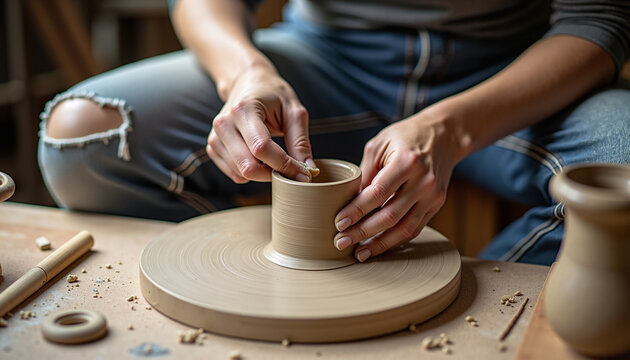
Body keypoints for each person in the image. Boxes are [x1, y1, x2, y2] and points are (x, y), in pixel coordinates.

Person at [38, 0, 630, 265]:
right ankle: (270, 281)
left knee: (622, 181)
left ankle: (458, 314)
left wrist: (449, 127)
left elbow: (600, 21)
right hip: (327, 61)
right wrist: (246, 74)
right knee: (83, 138)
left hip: (507, 74)